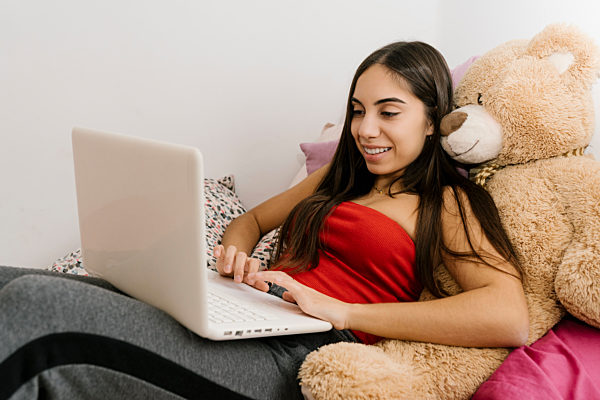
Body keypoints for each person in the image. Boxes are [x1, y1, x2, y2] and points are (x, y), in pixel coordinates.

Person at [0, 41, 528, 400]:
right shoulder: (338, 181)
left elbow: (508, 316)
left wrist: (341, 311)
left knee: (37, 306)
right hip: (247, 316)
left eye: (388, 112)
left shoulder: (446, 202)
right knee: (11, 282)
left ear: (433, 120)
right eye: (356, 109)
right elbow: (250, 222)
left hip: (297, 355)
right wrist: (235, 253)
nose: (366, 129)